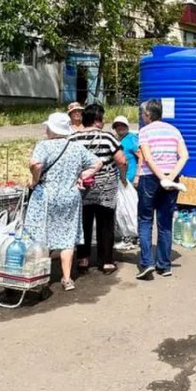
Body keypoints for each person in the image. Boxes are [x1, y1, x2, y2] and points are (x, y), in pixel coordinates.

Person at [23, 112, 101, 291]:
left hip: (46, 196)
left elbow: (36, 164)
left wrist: (34, 181)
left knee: (39, 234)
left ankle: (39, 276)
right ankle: (67, 278)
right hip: (70, 196)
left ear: (51, 128)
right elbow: (97, 163)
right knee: (67, 236)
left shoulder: (43, 146)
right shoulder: (76, 147)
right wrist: (83, 175)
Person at [135, 99, 189, 280]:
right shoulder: (174, 130)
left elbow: (148, 159)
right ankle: (164, 265)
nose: (142, 117)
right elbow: (184, 156)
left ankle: (147, 263)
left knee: (145, 220)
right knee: (165, 222)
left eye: (143, 114)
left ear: (148, 115)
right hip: (171, 177)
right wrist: (170, 177)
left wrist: (162, 178)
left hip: (150, 178)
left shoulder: (144, 131)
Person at [70, 104, 127, 275]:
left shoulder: (73, 139)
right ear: (97, 120)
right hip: (106, 187)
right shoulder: (107, 138)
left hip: (82, 187)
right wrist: (123, 178)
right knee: (106, 223)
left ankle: (83, 260)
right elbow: (121, 160)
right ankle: (107, 262)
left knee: (83, 223)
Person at [112, 115, 139, 251]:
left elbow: (141, 156)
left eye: (122, 125)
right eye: (117, 125)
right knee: (122, 210)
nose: (119, 127)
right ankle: (129, 236)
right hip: (118, 180)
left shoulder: (132, 139)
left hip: (128, 180)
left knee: (129, 210)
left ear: (127, 126)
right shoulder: (117, 140)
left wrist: (138, 176)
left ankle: (130, 238)